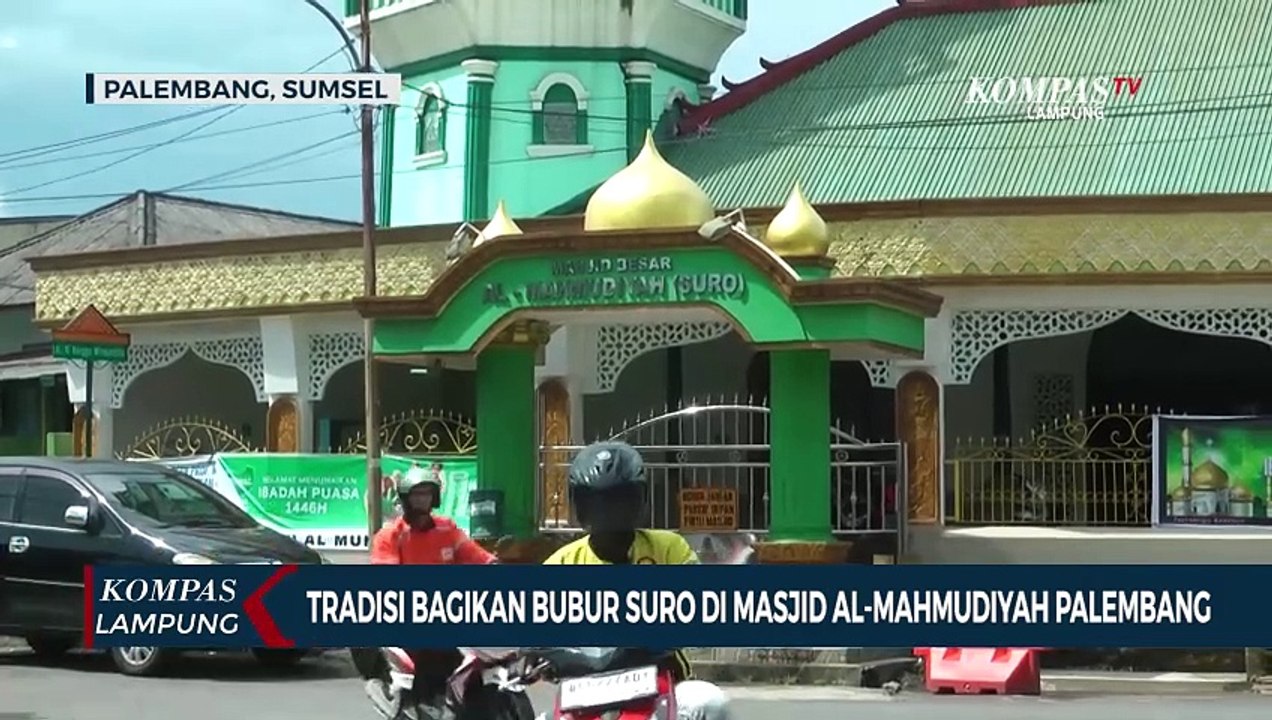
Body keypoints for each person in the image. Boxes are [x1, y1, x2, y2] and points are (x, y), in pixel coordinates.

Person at [543, 440, 698, 682]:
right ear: (581, 506)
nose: (608, 511)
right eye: (597, 502)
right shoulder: (560, 564)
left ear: (639, 499)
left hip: (664, 688)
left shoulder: (669, 549)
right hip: (584, 695)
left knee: (709, 702)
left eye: (619, 500)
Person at [358, 465, 496, 717]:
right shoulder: (391, 535)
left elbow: (480, 558)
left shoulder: (447, 528)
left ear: (435, 497)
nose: (422, 499)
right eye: (416, 494)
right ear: (405, 497)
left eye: (427, 494)